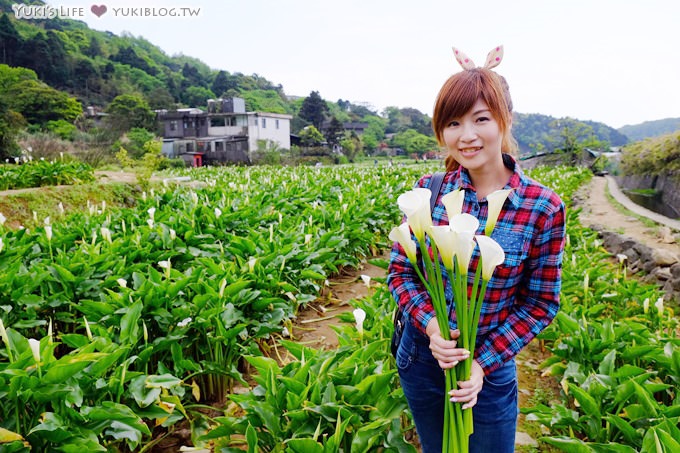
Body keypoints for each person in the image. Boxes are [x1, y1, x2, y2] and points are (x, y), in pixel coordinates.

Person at [387, 45, 566, 453]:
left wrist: (481, 363)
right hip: (422, 358)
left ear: (504, 121)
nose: (466, 136)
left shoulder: (543, 207)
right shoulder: (430, 191)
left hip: (490, 368)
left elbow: (540, 304)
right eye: (453, 123)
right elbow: (401, 273)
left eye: (480, 119)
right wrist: (433, 326)